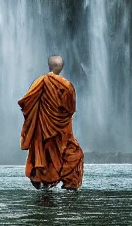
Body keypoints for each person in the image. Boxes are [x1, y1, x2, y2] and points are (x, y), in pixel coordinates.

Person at [18, 54, 84, 190]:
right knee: (73, 153)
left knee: (44, 154)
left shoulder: (40, 81)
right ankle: (69, 184)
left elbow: (26, 102)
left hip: (43, 128)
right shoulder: (67, 85)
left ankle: (43, 182)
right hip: (61, 130)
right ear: (62, 67)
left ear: (49, 66)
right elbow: (71, 109)